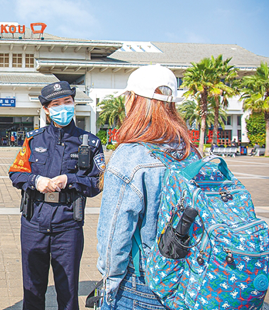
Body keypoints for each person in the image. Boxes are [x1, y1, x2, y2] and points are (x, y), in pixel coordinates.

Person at [96, 65, 199, 309]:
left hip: (142, 282)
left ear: (133, 101)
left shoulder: (131, 155)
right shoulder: (189, 152)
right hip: (186, 276)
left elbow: (114, 235)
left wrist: (109, 284)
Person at [9, 81, 104, 310]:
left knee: (68, 294)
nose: (63, 107)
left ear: (74, 103)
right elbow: (16, 173)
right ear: (46, 109)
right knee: (32, 291)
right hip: (34, 223)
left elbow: (97, 183)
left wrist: (70, 180)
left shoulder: (90, 143)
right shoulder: (34, 140)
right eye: (56, 104)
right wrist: (35, 180)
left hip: (68, 225)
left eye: (67, 102)